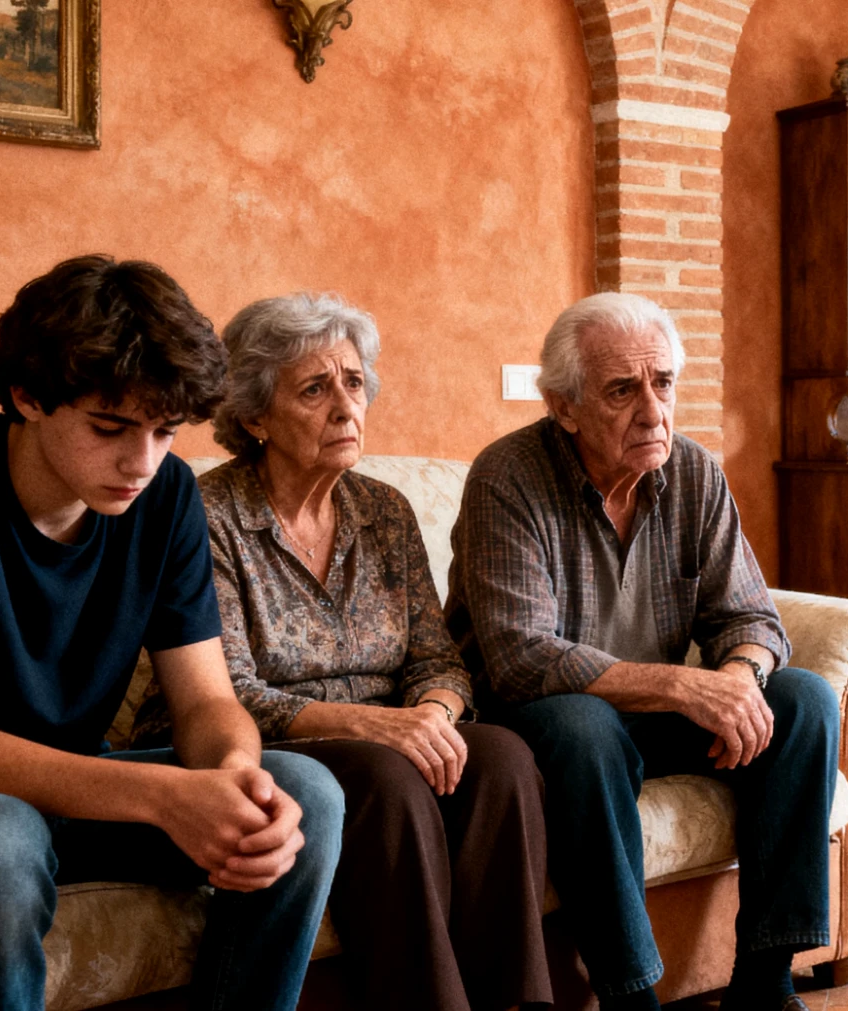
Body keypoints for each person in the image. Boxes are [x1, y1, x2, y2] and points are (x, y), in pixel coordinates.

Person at [0, 256, 343, 1010]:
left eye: (165, 431)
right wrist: (161, 795)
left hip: (75, 795)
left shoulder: (166, 494)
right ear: (28, 396)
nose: (141, 462)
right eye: (110, 427)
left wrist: (235, 775)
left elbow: (205, 699)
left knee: (304, 790)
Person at [132, 292, 552, 1011]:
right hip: (248, 738)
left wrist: (433, 713)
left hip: (388, 733)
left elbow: (437, 657)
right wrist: (377, 726)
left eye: (354, 382)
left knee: (503, 755)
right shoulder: (209, 515)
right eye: (315, 389)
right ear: (255, 415)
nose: (345, 406)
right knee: (384, 774)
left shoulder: (383, 510)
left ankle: (516, 1002)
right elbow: (228, 690)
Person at [446, 292, 839, 1011]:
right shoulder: (507, 479)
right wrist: (688, 689)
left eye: (663, 382)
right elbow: (519, 656)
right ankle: (631, 995)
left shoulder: (692, 473)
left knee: (803, 699)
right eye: (622, 390)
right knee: (583, 726)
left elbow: (750, 614)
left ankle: (765, 978)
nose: (653, 410)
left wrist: (737, 679)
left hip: (651, 713)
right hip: (536, 720)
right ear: (563, 405)